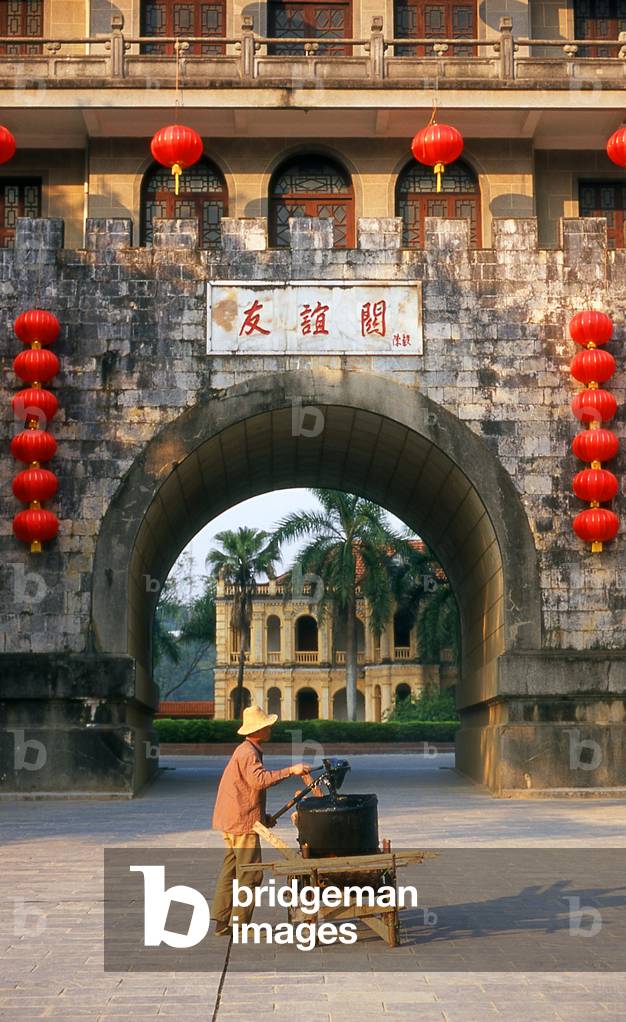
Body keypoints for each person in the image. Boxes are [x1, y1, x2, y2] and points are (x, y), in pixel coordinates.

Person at [211, 703, 312, 936]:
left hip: (233, 819)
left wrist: (262, 817)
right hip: (240, 824)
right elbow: (259, 781)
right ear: (257, 730)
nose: (270, 728)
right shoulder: (248, 753)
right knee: (250, 873)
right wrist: (291, 770)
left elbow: (246, 789)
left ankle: (221, 920)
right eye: (267, 725)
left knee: (231, 870)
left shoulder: (246, 750)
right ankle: (240, 925)